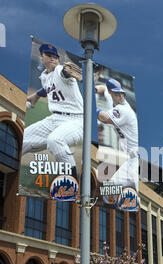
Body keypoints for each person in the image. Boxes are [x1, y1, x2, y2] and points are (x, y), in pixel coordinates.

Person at [22, 43, 84, 180]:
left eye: (55, 57)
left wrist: (68, 72)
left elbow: (64, 73)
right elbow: (47, 88)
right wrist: (36, 95)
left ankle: (73, 184)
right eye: (49, 56)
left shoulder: (59, 70)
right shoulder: (45, 76)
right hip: (55, 119)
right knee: (23, 138)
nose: (53, 59)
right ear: (41, 57)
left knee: (55, 140)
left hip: (76, 120)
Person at [96, 78, 139, 190]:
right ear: (110, 93)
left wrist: (92, 106)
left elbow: (104, 118)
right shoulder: (110, 96)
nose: (120, 96)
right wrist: (94, 89)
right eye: (117, 93)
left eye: (121, 93)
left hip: (133, 160)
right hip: (126, 158)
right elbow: (102, 88)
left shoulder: (124, 109)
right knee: (111, 188)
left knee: (112, 187)